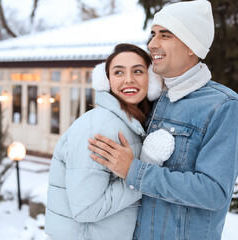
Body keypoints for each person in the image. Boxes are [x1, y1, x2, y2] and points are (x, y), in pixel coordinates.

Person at [88, 1, 238, 239]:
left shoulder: (223, 106)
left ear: (191, 46)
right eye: (153, 34)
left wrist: (134, 171)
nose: (153, 44)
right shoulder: (152, 98)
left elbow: (213, 192)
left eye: (165, 35)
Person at [45, 43, 173, 240]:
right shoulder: (101, 126)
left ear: (152, 80)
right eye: (118, 72)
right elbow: (86, 209)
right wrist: (141, 173)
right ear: (107, 81)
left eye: (138, 71)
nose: (128, 80)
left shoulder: (130, 124)